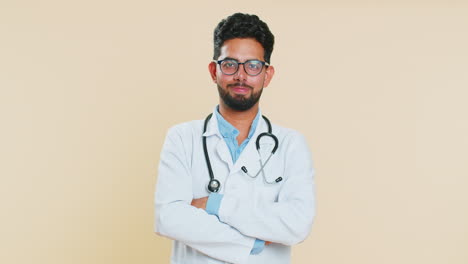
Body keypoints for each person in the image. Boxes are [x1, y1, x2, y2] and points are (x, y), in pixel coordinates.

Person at [154, 13, 316, 264]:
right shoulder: (182, 138)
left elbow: (296, 224)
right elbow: (169, 217)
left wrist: (215, 204)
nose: (241, 75)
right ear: (213, 70)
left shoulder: (291, 145)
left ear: (267, 74)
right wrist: (255, 241)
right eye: (230, 64)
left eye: (253, 65)